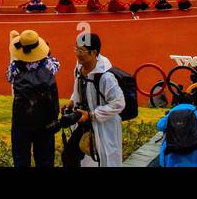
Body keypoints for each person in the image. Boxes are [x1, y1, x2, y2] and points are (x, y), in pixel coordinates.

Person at [66, 31, 126, 168]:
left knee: (103, 159)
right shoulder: (79, 67)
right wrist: (72, 101)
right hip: (83, 123)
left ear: (93, 53)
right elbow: (78, 88)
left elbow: (118, 103)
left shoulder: (105, 77)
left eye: (81, 50)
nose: (77, 53)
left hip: (103, 127)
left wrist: (93, 115)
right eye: (76, 49)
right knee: (71, 157)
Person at [7, 29, 59, 168]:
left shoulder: (14, 67)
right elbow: (56, 66)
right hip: (45, 118)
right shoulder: (49, 64)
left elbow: (9, 78)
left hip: (22, 118)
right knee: (45, 159)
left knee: (21, 158)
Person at [156, 88, 197, 167]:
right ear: (192, 103)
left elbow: (159, 126)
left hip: (172, 160)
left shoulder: (171, 113)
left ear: (178, 103)